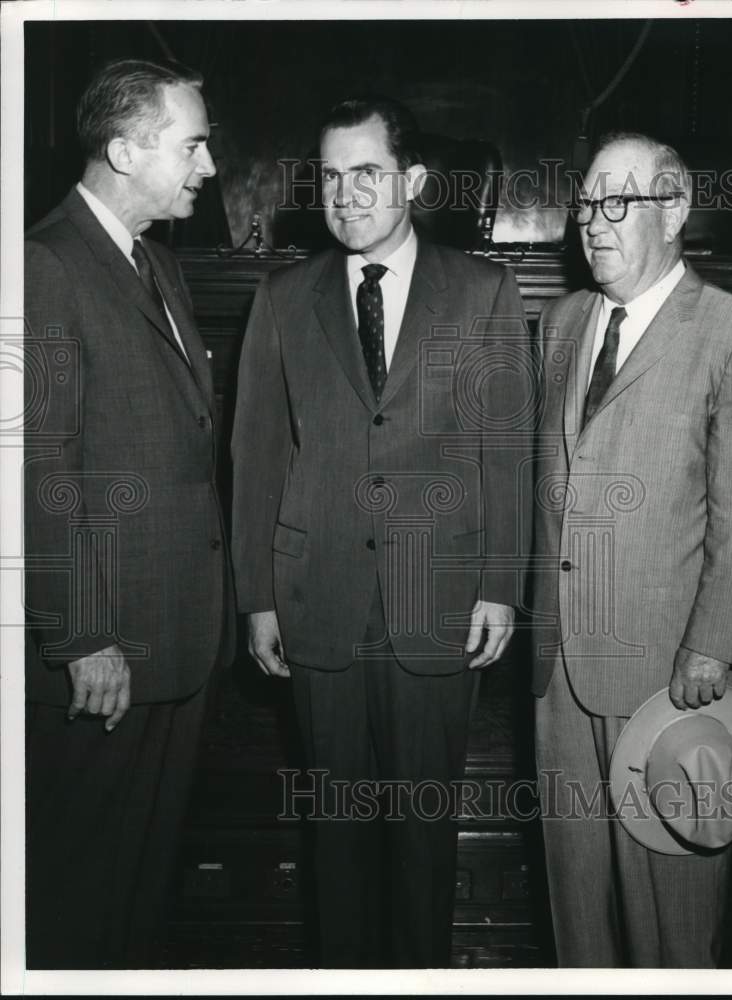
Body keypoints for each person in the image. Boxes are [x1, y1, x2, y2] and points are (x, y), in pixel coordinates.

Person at [231, 97, 532, 968]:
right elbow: (256, 455)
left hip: (435, 604)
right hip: (314, 601)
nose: (346, 194)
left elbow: (505, 449)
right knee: (335, 837)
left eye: (366, 173)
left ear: (413, 180)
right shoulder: (282, 299)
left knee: (421, 843)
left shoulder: (483, 290)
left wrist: (498, 586)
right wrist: (257, 598)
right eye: (330, 176)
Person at [529, 132, 732, 967]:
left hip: (672, 678)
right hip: (556, 673)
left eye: (617, 203)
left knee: (671, 923)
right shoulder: (559, 323)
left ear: (674, 209)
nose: (593, 223)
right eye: (586, 204)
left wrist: (714, 645)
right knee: (578, 921)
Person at [24, 58, 235, 969]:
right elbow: (38, 464)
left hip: (176, 640)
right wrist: (79, 634)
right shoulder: (45, 263)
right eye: (191, 144)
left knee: (140, 895)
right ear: (124, 148)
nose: (209, 166)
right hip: (105, 656)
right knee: (77, 902)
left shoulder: (153, 262)